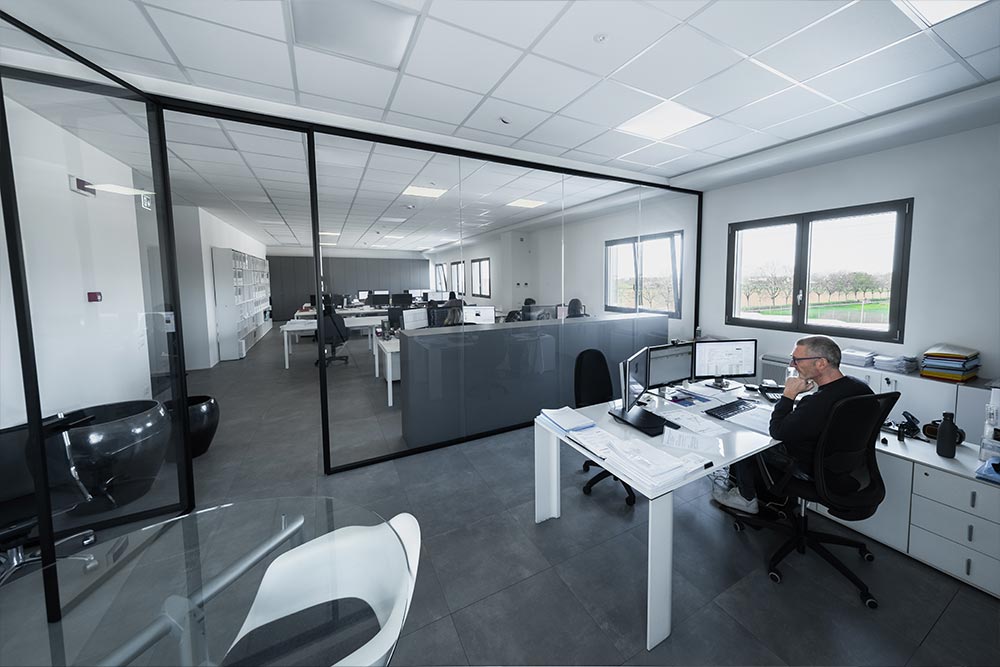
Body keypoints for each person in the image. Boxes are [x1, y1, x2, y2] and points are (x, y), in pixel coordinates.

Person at [711, 335, 873, 514]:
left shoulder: (817, 402)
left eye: (797, 360)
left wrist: (788, 394)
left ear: (821, 363)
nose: (792, 365)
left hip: (809, 471)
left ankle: (745, 498)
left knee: (746, 441)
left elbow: (777, 431)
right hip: (843, 471)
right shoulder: (861, 388)